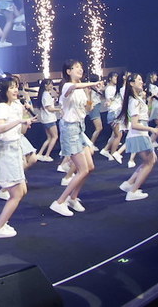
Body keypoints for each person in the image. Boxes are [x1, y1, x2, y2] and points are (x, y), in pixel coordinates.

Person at [49, 60, 102, 217]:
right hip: (70, 129)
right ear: (68, 71)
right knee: (83, 169)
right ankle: (59, 202)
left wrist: (90, 94)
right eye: (76, 67)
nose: (80, 69)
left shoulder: (82, 89)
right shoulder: (66, 86)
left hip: (80, 128)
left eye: (81, 67)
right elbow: (73, 87)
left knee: (89, 167)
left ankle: (73, 198)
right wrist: (92, 84)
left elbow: (88, 108)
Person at [0, 77, 30, 238]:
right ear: (3, 91)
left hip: (15, 149)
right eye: (11, 87)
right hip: (7, 151)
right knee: (17, 194)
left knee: (22, 191)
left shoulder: (15, 105)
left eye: (16, 87)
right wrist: (19, 121)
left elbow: (20, 131)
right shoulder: (1, 107)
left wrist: (24, 122)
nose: (15, 90)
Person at [118, 73, 158, 201]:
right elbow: (135, 124)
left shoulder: (137, 99)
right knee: (150, 162)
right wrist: (152, 129)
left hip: (140, 134)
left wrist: (150, 102)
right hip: (139, 135)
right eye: (139, 80)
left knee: (150, 160)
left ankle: (129, 184)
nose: (142, 82)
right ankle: (133, 191)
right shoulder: (134, 101)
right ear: (132, 83)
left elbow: (146, 116)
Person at [35, 79, 61, 161]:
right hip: (49, 119)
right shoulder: (46, 95)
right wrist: (59, 109)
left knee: (49, 137)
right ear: (45, 85)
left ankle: (39, 154)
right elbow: (49, 109)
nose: (51, 86)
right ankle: (47, 155)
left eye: (52, 84)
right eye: (50, 84)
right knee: (55, 137)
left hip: (45, 119)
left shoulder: (44, 94)